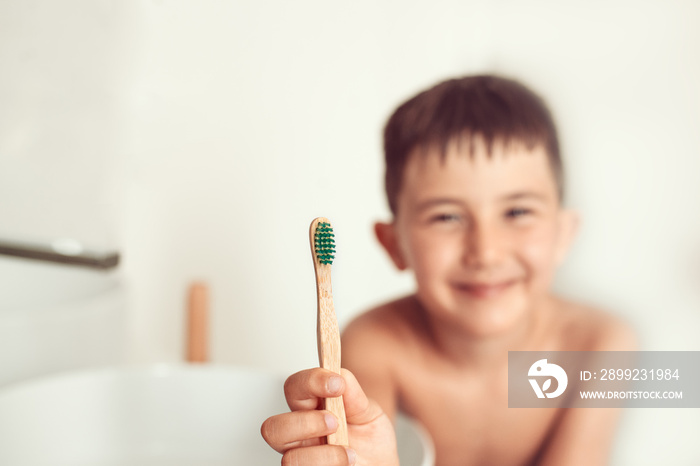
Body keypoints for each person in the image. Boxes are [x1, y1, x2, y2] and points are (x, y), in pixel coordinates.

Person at [261, 75, 636, 465]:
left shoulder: (601, 343)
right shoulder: (375, 346)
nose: (486, 252)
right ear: (394, 245)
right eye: (446, 217)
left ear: (563, 234)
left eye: (517, 212)